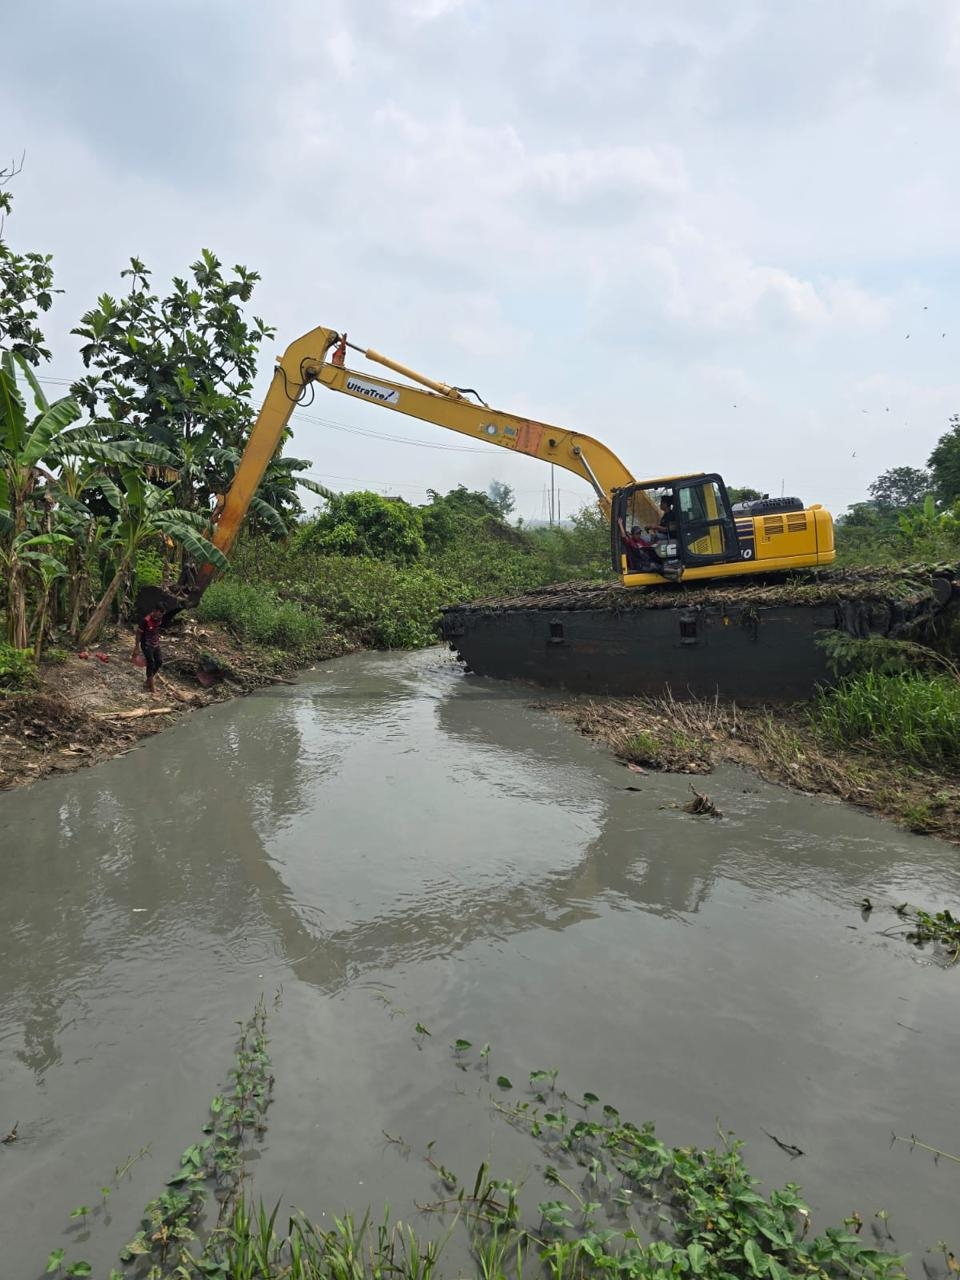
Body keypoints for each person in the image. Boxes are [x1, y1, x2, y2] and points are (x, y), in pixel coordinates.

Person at [133, 605, 164, 695]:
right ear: (154, 610)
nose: (159, 617)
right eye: (158, 614)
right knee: (151, 662)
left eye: (161, 615)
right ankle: (152, 688)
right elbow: (138, 634)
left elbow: (156, 629)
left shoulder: (159, 619)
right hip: (146, 644)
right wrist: (136, 647)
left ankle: (148, 681)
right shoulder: (146, 620)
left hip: (155, 643)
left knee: (159, 661)